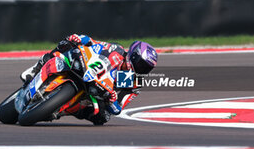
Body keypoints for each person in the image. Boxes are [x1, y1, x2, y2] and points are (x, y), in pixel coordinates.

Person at [20, 34, 158, 123]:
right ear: (133, 55)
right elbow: (93, 43)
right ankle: (36, 68)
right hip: (88, 69)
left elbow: (118, 108)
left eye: (146, 68)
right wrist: (80, 39)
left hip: (99, 94)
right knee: (68, 43)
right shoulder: (117, 50)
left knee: (103, 118)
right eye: (141, 64)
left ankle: (59, 110)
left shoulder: (134, 83)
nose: (142, 69)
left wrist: (112, 100)